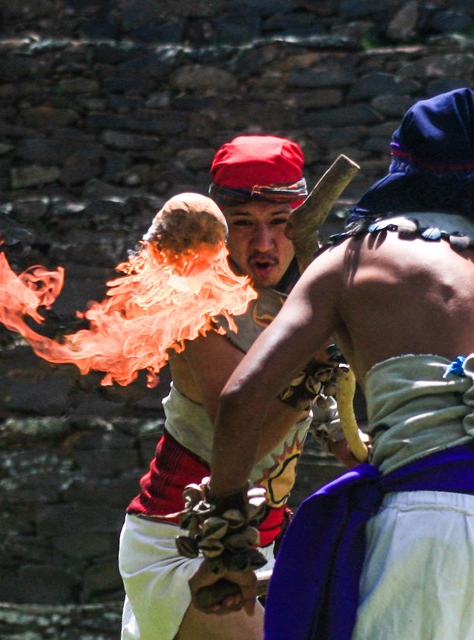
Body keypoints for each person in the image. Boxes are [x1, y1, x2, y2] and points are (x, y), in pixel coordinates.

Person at [189, 89, 474, 639]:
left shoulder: (355, 258)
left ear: (401, 166)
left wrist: (227, 543)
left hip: (428, 533)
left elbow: (244, 397)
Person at [118, 134, 355, 640]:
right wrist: (313, 368)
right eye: (244, 224)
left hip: (262, 542)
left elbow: (328, 408)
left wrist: (353, 445)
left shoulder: (300, 299)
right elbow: (243, 430)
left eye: (280, 222)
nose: (264, 243)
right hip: (181, 542)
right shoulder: (194, 305)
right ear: (221, 233)